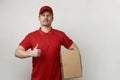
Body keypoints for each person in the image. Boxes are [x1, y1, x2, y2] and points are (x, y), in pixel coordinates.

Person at [15, 5, 80, 80]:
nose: (45, 17)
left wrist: (66, 63)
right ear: (39, 18)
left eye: (48, 15)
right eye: (43, 15)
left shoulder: (60, 35)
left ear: (52, 18)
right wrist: (31, 53)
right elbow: (17, 52)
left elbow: (75, 50)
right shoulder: (31, 36)